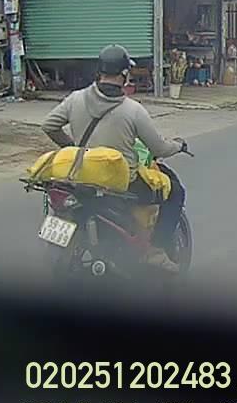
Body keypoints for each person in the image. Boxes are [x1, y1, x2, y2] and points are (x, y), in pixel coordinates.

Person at [41, 45, 188, 272]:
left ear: (99, 72)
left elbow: (48, 125)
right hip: (122, 182)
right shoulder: (133, 110)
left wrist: (74, 149)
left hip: (81, 176)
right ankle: (156, 251)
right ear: (124, 75)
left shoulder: (75, 99)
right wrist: (178, 145)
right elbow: (158, 147)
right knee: (176, 191)